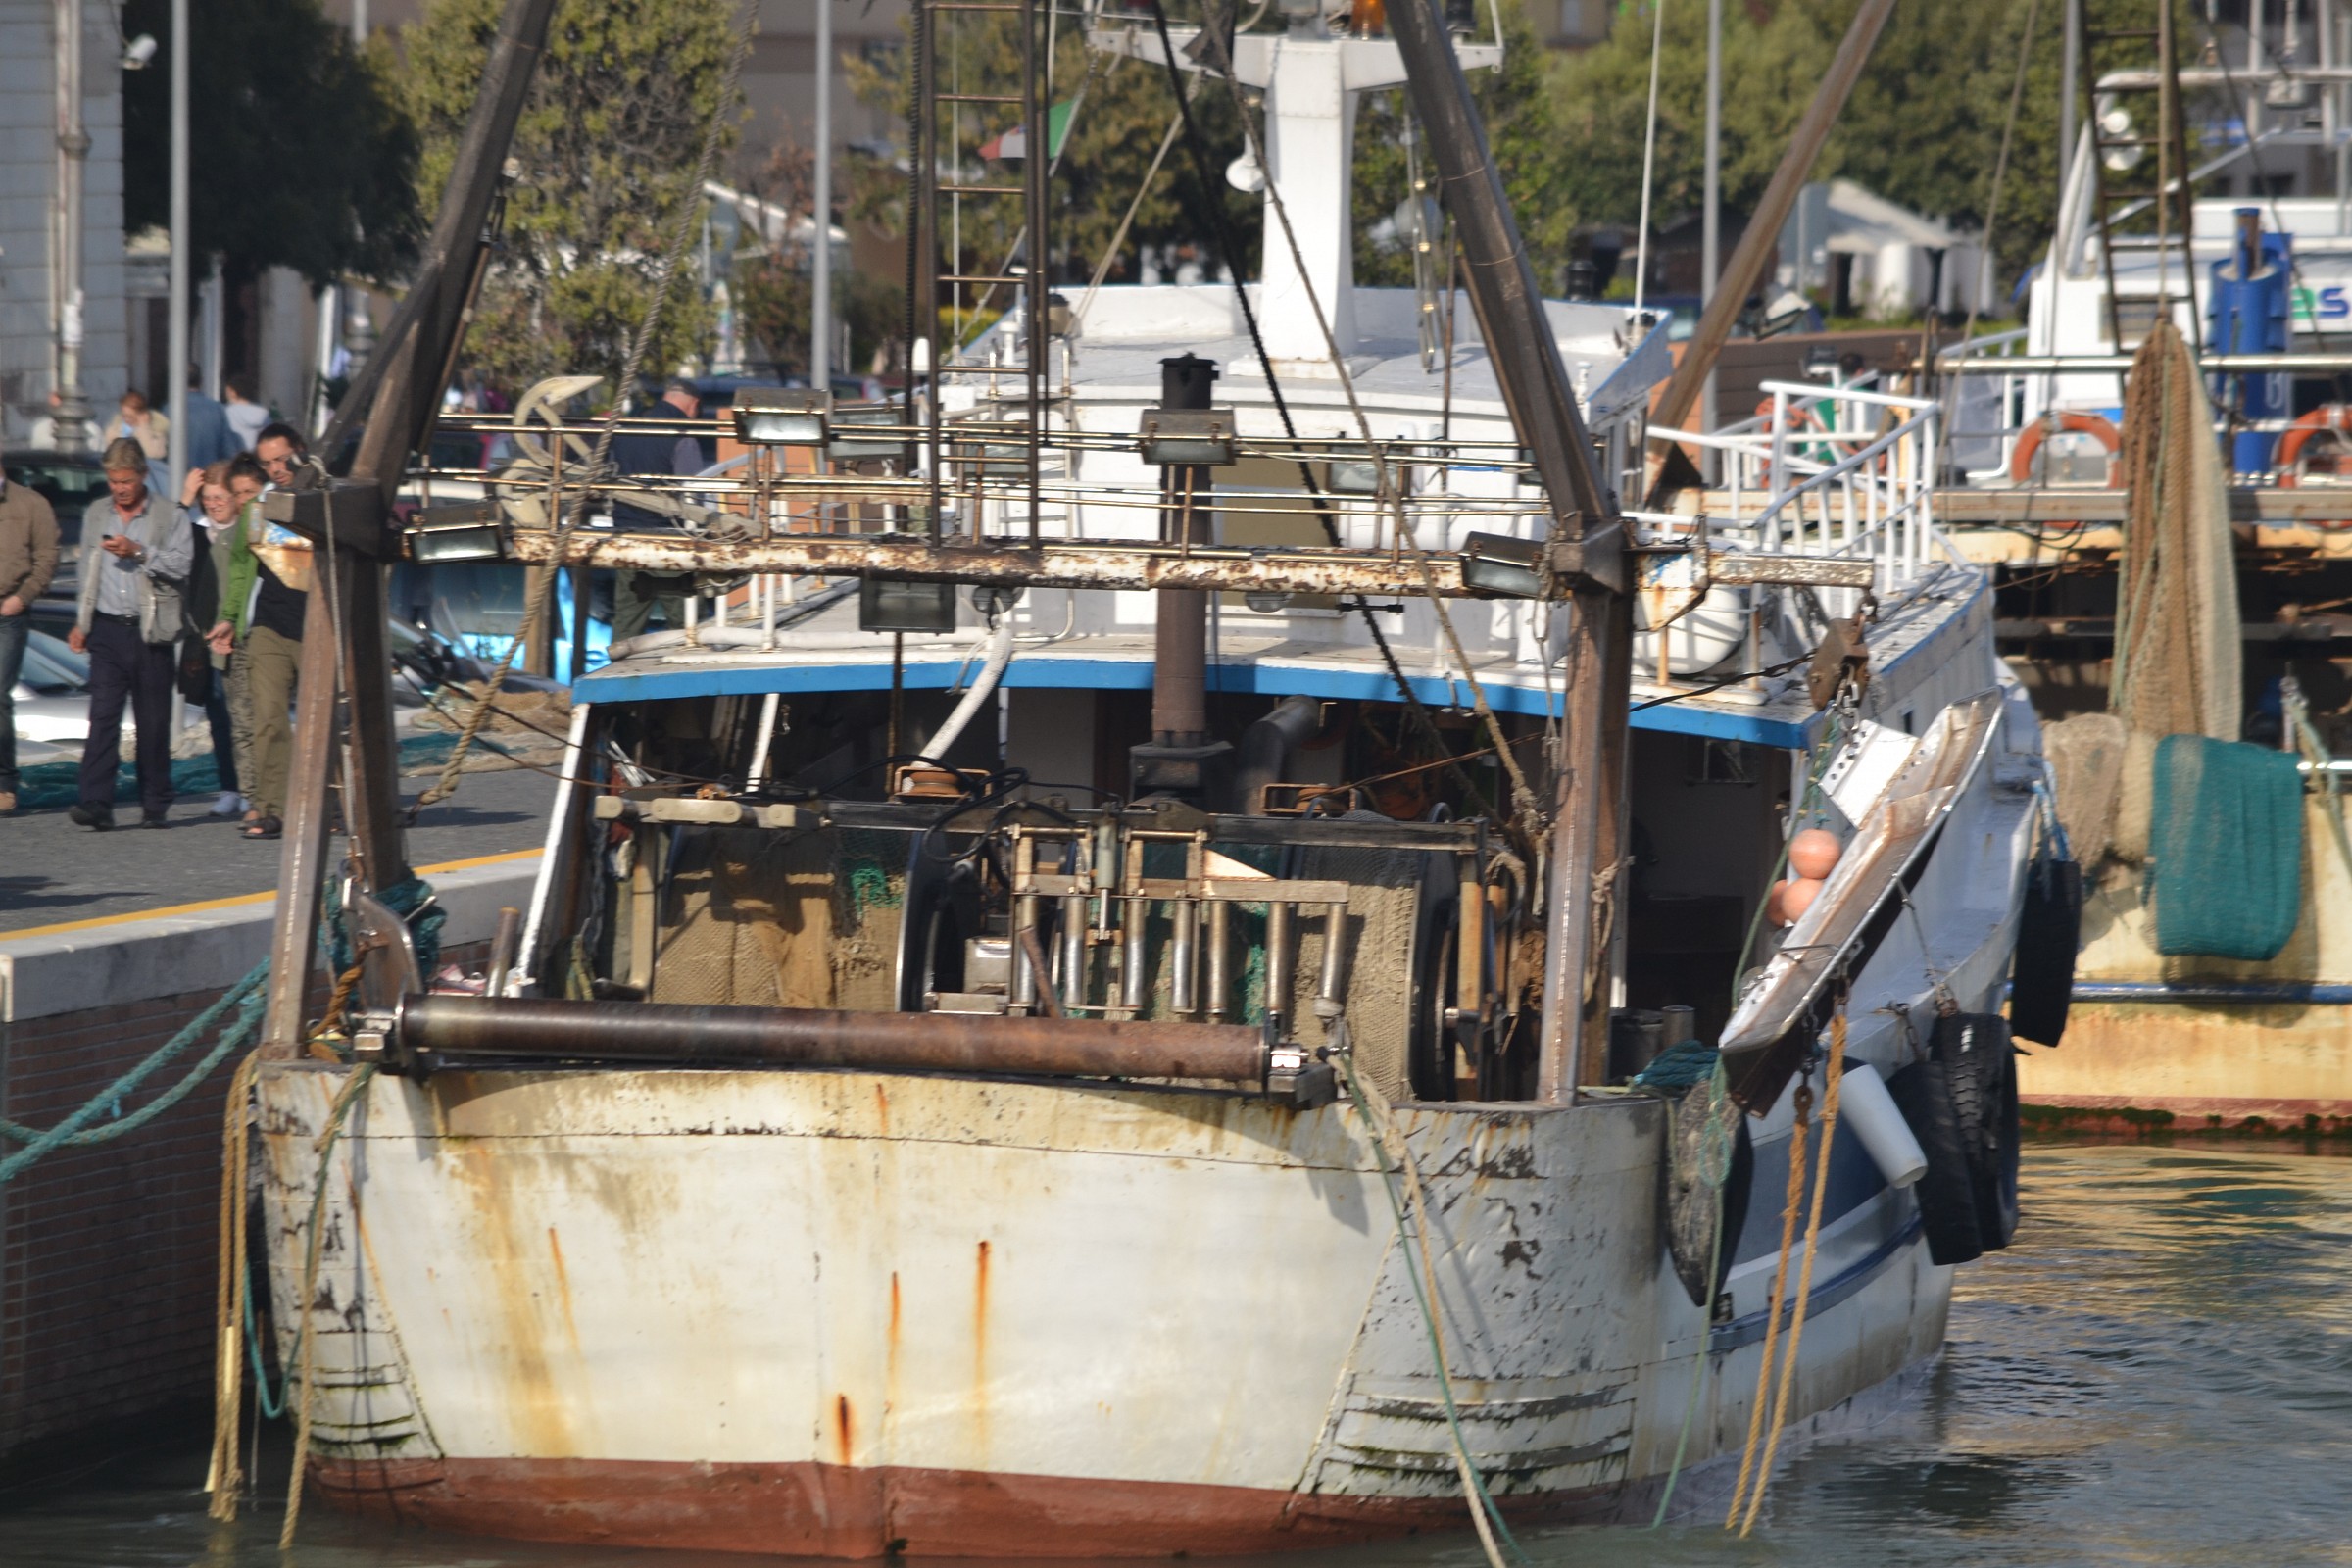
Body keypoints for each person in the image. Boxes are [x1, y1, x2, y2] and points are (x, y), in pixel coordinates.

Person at [69, 438, 192, 830]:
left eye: (126, 481)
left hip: (149, 630)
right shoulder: (96, 513)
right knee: (102, 717)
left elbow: (182, 564)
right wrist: (82, 622)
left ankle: (155, 802)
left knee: (153, 723)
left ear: (143, 475)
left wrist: (140, 552)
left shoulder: (169, 515)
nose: (119, 488)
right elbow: (87, 571)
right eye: (113, 481)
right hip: (107, 629)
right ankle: (96, 802)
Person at [238, 423, 315, 840]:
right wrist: (229, 618)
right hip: (270, 624)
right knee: (268, 717)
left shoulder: (327, 497)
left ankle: (335, 805)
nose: (276, 469)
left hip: (318, 625)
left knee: (325, 723)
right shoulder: (261, 505)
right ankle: (272, 808)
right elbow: (244, 566)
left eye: (282, 459)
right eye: (267, 464)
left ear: (299, 451)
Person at [180, 456, 266, 817]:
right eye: (208, 498)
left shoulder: (248, 532)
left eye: (221, 497)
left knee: (247, 717)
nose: (214, 505)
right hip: (209, 640)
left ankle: (252, 788)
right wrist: (186, 498)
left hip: (242, 634)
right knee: (219, 718)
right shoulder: (200, 533)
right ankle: (230, 786)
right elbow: (165, 537)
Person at [609, 381, 706, 639]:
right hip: (669, 539)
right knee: (686, 621)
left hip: (627, 535)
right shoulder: (682, 434)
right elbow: (693, 492)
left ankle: (619, 661)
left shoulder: (628, 429)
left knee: (627, 619)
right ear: (694, 404)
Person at [0, 466, 62, 814]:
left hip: (8, 611)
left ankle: (4, 783)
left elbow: (47, 557)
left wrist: (21, 598)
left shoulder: (31, 503)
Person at [180, 368, 236, 469]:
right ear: (201, 381)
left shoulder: (170, 409)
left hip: (179, 475)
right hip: (209, 473)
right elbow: (229, 449)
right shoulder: (216, 408)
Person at [221, 374, 270, 451]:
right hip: (256, 454)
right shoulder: (263, 413)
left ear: (233, 392)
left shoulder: (226, 412)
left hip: (234, 455)